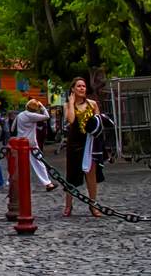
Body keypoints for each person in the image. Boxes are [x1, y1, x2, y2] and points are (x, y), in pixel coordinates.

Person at [64, 77, 102, 217]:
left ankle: (93, 205)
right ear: (73, 89)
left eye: (84, 86)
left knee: (91, 174)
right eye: (78, 86)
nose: (82, 88)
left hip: (89, 142)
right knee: (71, 175)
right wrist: (72, 102)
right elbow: (71, 120)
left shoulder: (92, 104)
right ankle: (68, 205)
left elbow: (98, 121)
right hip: (74, 143)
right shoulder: (68, 105)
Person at [17, 99, 56, 191]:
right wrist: (42, 107)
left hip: (20, 141)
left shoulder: (20, 115)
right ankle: (47, 183)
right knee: (39, 163)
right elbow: (46, 116)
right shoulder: (32, 116)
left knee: (18, 163)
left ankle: (12, 181)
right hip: (31, 143)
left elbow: (13, 127)